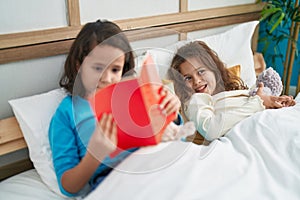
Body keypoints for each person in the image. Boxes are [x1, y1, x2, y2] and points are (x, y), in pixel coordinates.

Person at [49, 20, 181, 197]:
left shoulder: (131, 94)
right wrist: (94, 155)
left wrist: (171, 109)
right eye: (97, 68)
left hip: (157, 164)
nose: (107, 78)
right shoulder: (66, 114)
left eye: (115, 69)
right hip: (119, 183)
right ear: (79, 66)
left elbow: (168, 130)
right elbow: (68, 186)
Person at [168, 40, 296, 142]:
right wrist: (258, 102)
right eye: (188, 78)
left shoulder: (236, 91)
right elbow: (210, 130)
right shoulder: (196, 101)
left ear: (214, 69)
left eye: (201, 71)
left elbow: (257, 102)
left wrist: (276, 102)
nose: (196, 81)